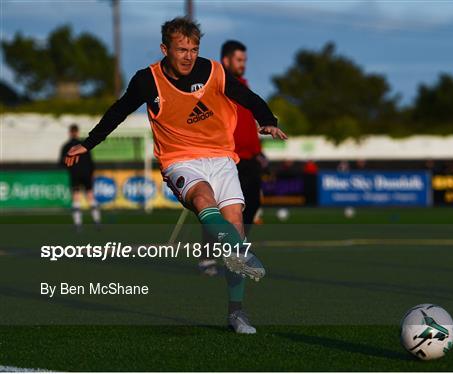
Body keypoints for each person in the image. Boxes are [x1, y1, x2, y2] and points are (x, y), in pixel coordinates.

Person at [64, 17, 287, 334]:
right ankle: (236, 251)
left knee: (235, 220)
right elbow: (118, 110)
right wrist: (88, 144)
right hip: (179, 159)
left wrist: (267, 119)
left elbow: (248, 98)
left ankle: (236, 312)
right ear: (164, 49)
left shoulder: (213, 72)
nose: (188, 56)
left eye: (194, 49)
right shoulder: (148, 80)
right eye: (182, 49)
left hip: (222, 157)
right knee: (202, 199)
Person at [198, 40, 267, 277]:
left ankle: (237, 254)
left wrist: (259, 152)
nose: (243, 65)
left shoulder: (244, 86)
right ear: (226, 60)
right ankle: (207, 257)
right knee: (218, 210)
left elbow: (249, 125)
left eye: (244, 61)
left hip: (249, 159)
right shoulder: (217, 86)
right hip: (226, 158)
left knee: (251, 205)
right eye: (239, 60)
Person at [59, 124, 101, 231]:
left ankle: (78, 224)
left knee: (77, 198)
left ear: (70, 132)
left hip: (75, 174)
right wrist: (91, 173)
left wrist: (70, 167)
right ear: (77, 132)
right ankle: (97, 222)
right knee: (90, 196)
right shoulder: (83, 145)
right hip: (86, 173)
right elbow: (91, 162)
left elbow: (62, 162)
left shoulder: (66, 146)